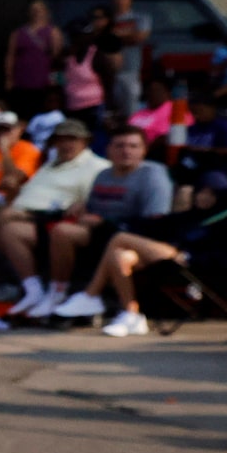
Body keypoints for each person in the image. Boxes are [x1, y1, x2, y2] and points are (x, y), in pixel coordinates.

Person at [44, 125, 175, 320]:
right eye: (120, 146)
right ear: (109, 150)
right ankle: (58, 292)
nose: (126, 151)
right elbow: (94, 212)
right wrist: (82, 211)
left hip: (138, 239)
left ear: (144, 150)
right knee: (62, 231)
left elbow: (154, 224)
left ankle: (94, 298)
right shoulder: (103, 175)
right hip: (104, 233)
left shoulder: (153, 176)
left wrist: (105, 222)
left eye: (133, 146)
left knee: (119, 249)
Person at [0, 120, 101, 317]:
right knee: (4, 224)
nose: (66, 144)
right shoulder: (51, 164)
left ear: (84, 141)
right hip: (28, 216)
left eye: (72, 139)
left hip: (55, 219)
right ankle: (32, 290)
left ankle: (53, 292)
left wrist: (26, 213)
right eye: (60, 140)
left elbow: (88, 202)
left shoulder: (96, 166)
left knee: (7, 220)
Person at [5, 0, 63, 118]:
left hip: (43, 83)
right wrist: (9, 78)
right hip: (22, 82)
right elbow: (10, 56)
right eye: (33, 10)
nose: (36, 13)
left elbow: (57, 58)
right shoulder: (18, 33)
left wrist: (57, 82)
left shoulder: (53, 32)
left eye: (39, 10)